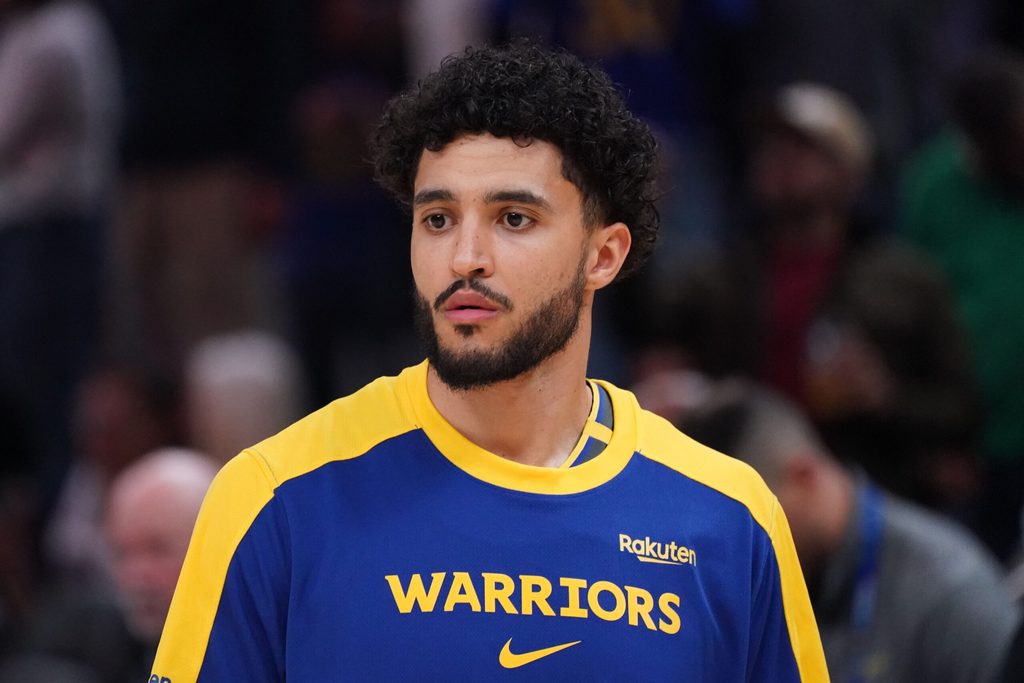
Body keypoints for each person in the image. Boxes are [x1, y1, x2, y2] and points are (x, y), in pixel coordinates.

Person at [151, 42, 827, 681]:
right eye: (438, 219)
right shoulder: (276, 500)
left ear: (604, 255)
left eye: (513, 218)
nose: (464, 257)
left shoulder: (730, 521)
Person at [679, 383, 1019, 683]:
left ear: (804, 478)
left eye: (749, 525)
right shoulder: (749, 588)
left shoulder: (948, 593)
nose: (736, 553)